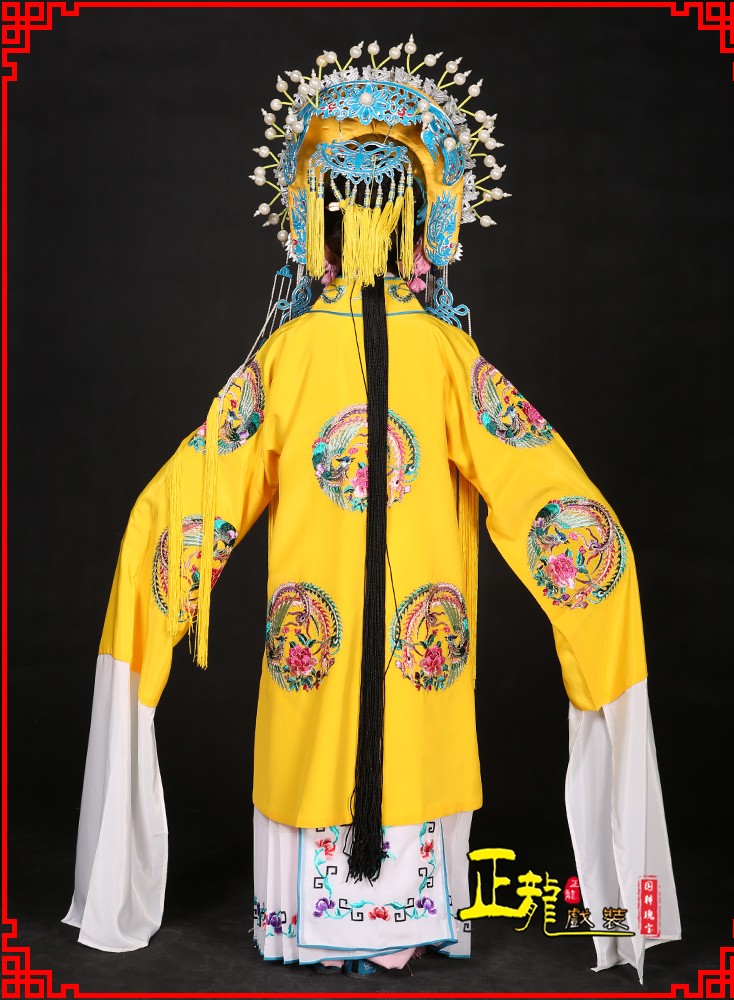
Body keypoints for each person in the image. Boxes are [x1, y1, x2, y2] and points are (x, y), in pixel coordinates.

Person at [62, 37, 680, 982]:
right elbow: (552, 500)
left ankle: (313, 931)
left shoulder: (291, 355)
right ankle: (402, 929)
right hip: (411, 642)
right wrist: (599, 569)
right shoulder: (446, 356)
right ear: (422, 222)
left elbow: (191, 498)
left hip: (327, 642)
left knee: (330, 714)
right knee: (402, 710)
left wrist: (156, 555)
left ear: (313, 219)